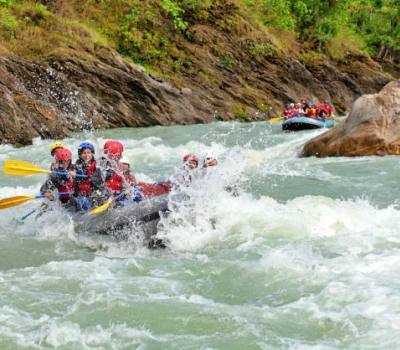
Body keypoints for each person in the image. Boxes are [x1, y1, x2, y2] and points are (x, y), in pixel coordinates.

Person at [73, 142, 108, 211]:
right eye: (84, 153)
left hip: (95, 192)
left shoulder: (98, 164)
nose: (86, 155)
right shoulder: (76, 166)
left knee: (103, 196)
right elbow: (71, 172)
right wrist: (73, 174)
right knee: (84, 203)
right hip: (83, 195)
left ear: (92, 154)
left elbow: (106, 173)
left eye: (88, 153)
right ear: (80, 155)